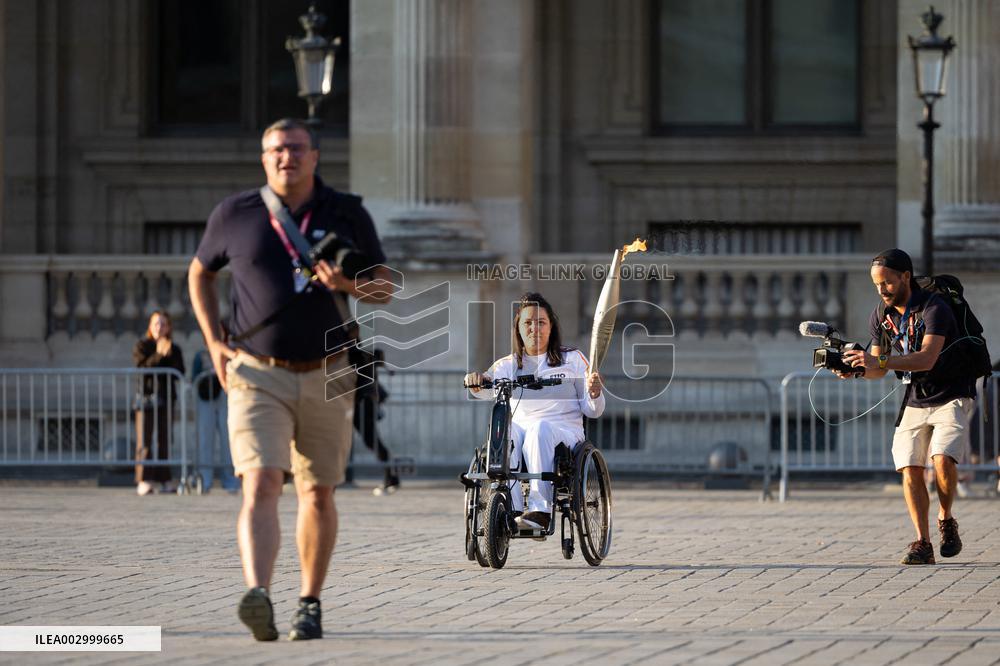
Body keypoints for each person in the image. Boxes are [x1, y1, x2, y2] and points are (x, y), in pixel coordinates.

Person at [188, 118, 393, 641]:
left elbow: (386, 288)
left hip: (330, 372)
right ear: (264, 158)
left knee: (318, 493)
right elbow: (199, 272)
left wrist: (346, 282)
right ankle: (258, 592)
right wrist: (214, 341)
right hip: (257, 373)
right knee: (259, 483)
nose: (287, 158)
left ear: (315, 156)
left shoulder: (347, 212)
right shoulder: (235, 213)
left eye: (297, 149)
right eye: (277, 150)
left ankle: (309, 601)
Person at [842, 249, 977, 565]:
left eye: (887, 282)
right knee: (909, 466)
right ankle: (923, 543)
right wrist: (857, 369)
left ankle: (946, 519)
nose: (882, 290)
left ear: (905, 276)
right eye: (877, 285)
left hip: (952, 392)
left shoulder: (935, 308)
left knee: (942, 459)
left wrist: (882, 360)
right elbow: (877, 369)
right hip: (915, 397)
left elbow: (926, 357)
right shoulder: (881, 315)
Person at [463, 292, 605, 530]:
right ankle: (514, 509)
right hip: (522, 430)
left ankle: (540, 510)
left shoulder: (573, 359)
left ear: (551, 328)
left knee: (539, 429)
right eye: (528, 322)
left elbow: (593, 411)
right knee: (506, 432)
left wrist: (594, 392)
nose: (534, 328)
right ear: (518, 328)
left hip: (565, 432)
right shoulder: (508, 364)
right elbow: (486, 386)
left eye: (541, 322)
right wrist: (477, 380)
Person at [133, 310, 185, 496]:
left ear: (169, 327)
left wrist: (167, 353)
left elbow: (180, 370)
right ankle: (144, 480)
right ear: (150, 326)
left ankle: (164, 479)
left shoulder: (174, 348)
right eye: (156, 323)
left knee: (164, 439)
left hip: (166, 398)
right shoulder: (142, 345)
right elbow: (142, 368)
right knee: (145, 440)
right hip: (146, 399)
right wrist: (158, 355)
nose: (159, 327)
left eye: (163, 324)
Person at [353, 349, 400, 495]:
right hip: (359, 406)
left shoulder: (362, 362)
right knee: (373, 442)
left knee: (373, 441)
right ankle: (391, 477)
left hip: (361, 406)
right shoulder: (365, 363)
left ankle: (391, 477)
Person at [192, 349, 239, 494]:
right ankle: (205, 479)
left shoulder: (230, 352)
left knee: (228, 439)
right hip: (206, 398)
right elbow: (194, 378)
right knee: (206, 438)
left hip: (225, 397)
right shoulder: (201, 355)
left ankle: (230, 478)